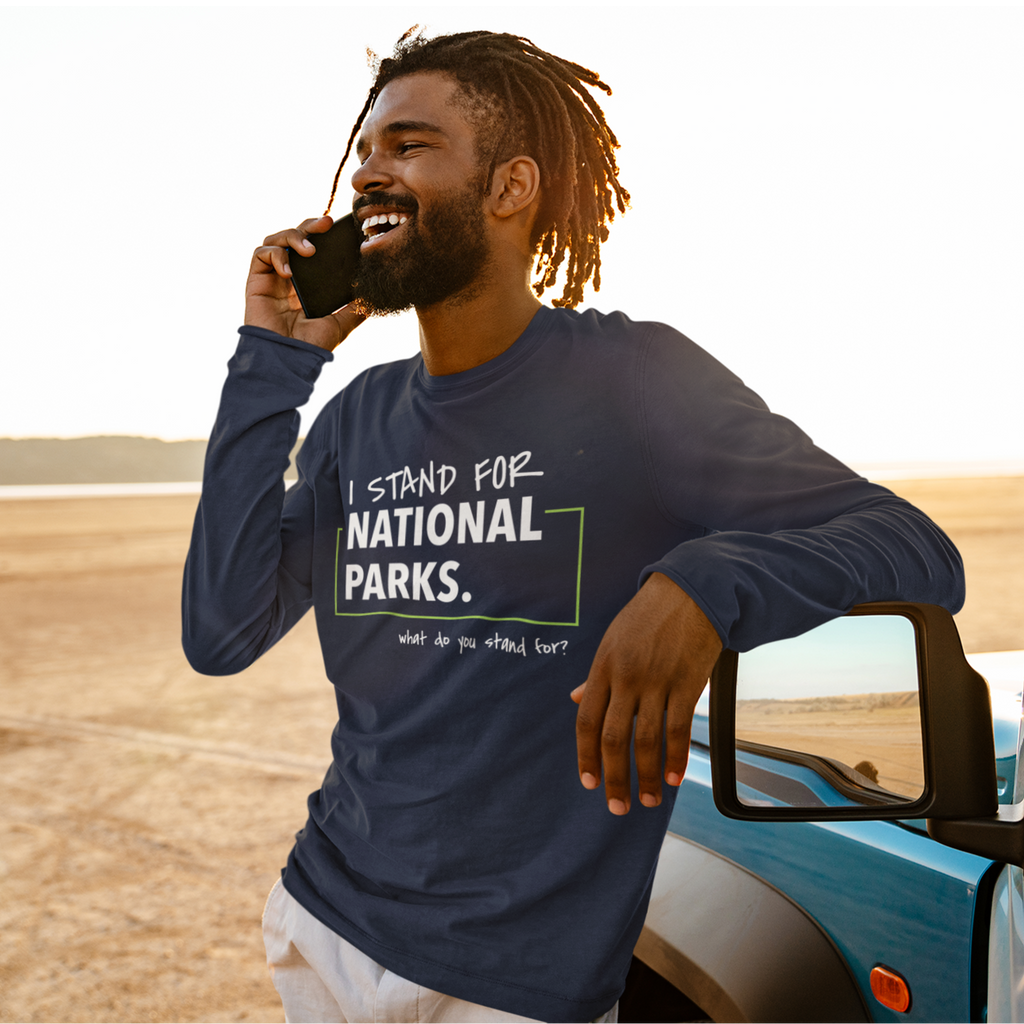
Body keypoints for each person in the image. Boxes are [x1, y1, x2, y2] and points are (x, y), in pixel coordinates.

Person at [182, 29, 963, 1024]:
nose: (368, 175)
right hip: (324, 925)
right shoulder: (358, 419)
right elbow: (220, 632)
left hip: (511, 983)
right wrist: (271, 358)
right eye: (365, 151)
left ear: (509, 189)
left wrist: (700, 583)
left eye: (410, 146)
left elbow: (908, 544)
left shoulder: (632, 379)